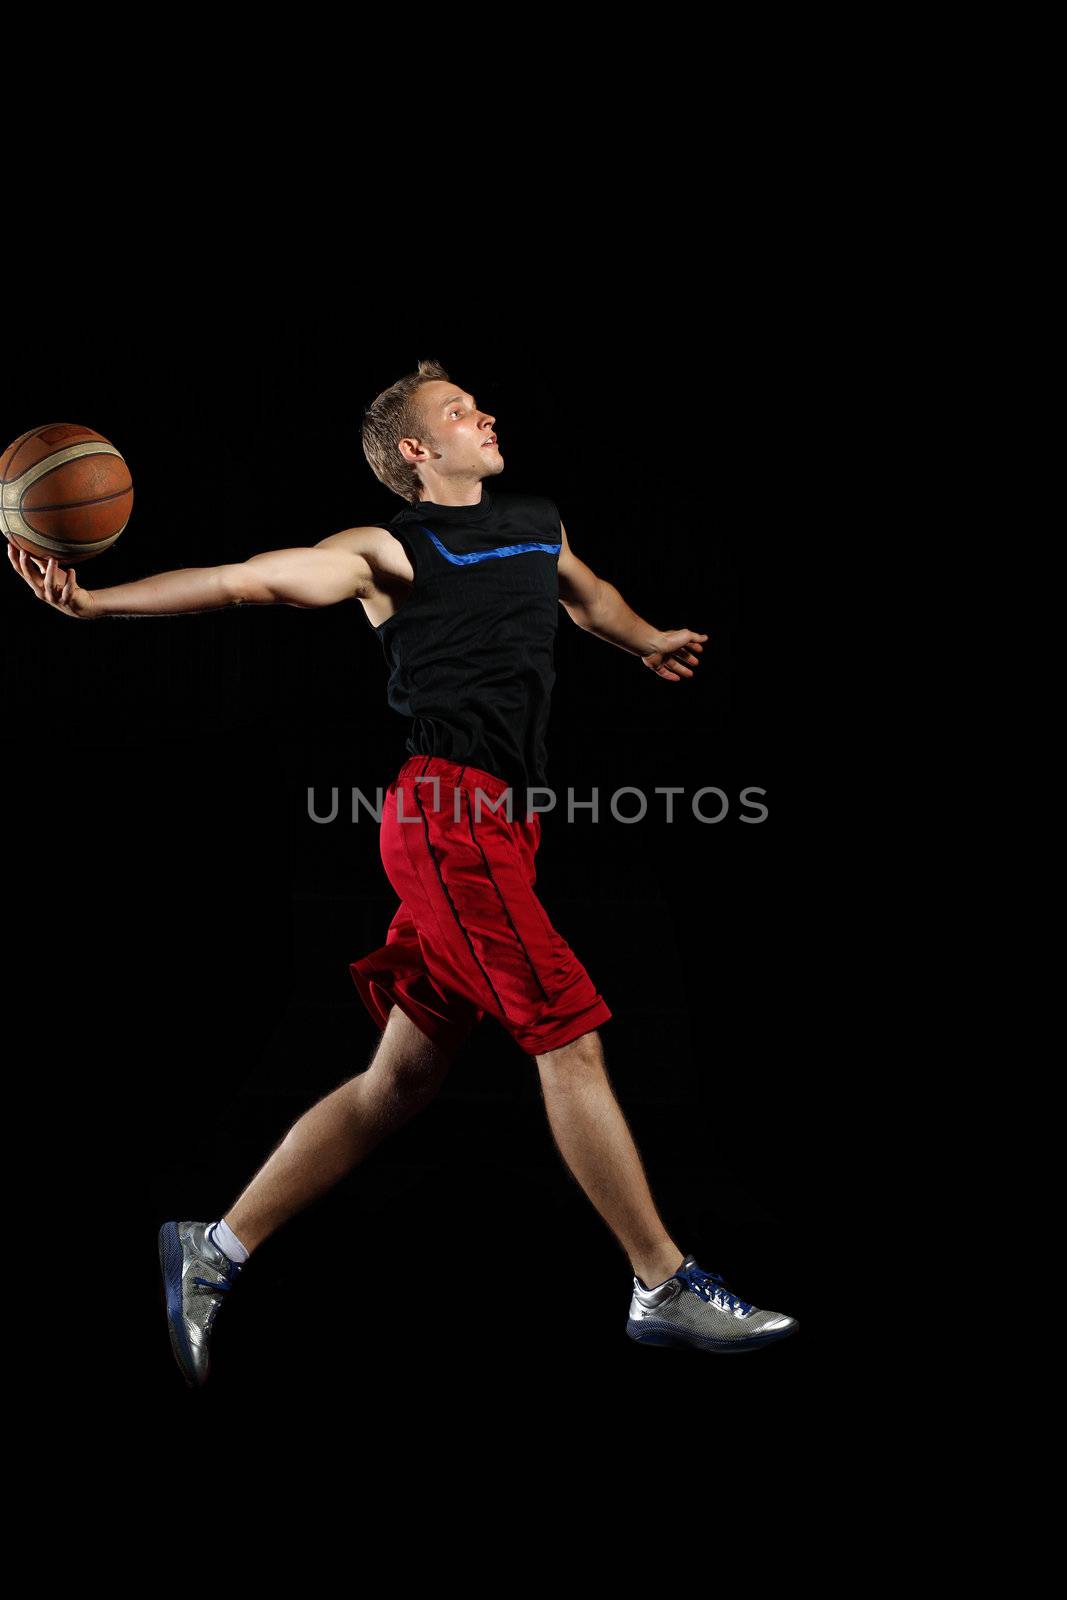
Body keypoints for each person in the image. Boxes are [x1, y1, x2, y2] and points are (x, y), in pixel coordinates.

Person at [7, 357, 799, 1385]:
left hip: (503, 825)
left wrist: (645, 640)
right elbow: (251, 577)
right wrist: (99, 604)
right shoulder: (385, 548)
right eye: (460, 411)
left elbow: (588, 596)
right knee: (571, 1038)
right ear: (418, 453)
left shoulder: (537, 520)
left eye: (476, 404)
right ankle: (661, 1280)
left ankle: (213, 1246)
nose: (485, 413)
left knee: (401, 1077)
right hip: (445, 817)